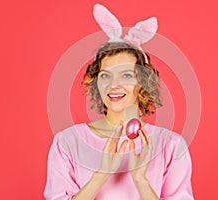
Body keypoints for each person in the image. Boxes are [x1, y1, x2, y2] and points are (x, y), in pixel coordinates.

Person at [44, 4, 194, 200]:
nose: (114, 85)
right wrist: (101, 175)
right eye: (105, 76)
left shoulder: (171, 146)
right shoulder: (67, 143)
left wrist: (141, 181)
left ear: (143, 83)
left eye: (125, 75)